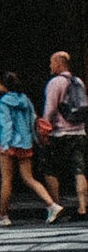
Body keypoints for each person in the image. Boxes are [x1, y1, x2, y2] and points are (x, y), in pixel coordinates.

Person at [0, 66, 60, 224]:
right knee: (29, 178)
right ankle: (51, 205)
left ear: (4, 85)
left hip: (10, 144)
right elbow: (33, 120)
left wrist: (5, 144)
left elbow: (6, 125)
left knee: (6, 180)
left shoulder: (4, 102)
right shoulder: (25, 99)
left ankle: (2, 215)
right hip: (26, 143)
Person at [44, 50, 88, 215]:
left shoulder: (55, 83)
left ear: (58, 63)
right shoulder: (78, 82)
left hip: (60, 133)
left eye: (51, 62)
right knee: (79, 170)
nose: (50, 65)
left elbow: (50, 110)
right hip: (79, 132)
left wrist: (44, 131)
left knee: (50, 169)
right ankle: (82, 207)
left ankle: (56, 205)